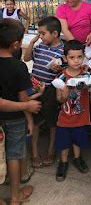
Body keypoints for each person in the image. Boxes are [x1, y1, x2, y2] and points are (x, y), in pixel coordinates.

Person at [0, 18, 37, 205]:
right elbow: (24, 99)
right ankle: (15, 197)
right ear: (15, 44)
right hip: (15, 119)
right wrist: (29, 117)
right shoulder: (19, 67)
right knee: (14, 155)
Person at [23, 16, 64, 168]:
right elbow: (27, 59)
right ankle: (34, 153)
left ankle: (51, 150)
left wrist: (60, 69)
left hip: (49, 90)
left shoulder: (62, 50)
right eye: (39, 33)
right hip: (34, 88)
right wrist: (33, 42)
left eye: (42, 33)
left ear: (54, 34)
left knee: (52, 122)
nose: (40, 36)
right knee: (35, 121)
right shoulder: (39, 46)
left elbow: (65, 71)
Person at [54, 40, 90, 182]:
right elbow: (59, 99)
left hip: (81, 117)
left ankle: (77, 159)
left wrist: (89, 84)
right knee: (64, 142)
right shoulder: (61, 77)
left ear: (84, 56)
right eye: (72, 57)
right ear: (65, 58)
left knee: (78, 140)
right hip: (65, 117)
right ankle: (63, 163)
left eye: (80, 57)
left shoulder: (86, 74)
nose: (76, 61)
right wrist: (64, 94)